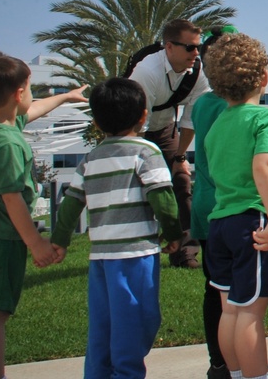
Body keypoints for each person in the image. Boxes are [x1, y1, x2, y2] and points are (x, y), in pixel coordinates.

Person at [50, 78, 182, 379]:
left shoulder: (90, 159)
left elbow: (71, 202)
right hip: (136, 255)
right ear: (143, 116)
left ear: (96, 123)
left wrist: (60, 239)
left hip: (101, 258)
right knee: (137, 322)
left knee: (104, 325)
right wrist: (174, 234)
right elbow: (163, 197)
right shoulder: (146, 151)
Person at [0, 54, 86, 379]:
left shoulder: (2, 125)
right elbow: (12, 196)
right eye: (31, 87)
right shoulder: (6, 144)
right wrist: (35, 242)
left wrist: (65, 96)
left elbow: (32, 111)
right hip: (2, 240)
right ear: (19, 93)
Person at [203, 33, 268, 379]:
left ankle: (236, 374)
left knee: (230, 311)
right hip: (251, 223)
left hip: (219, 226)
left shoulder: (215, 127)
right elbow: (264, 166)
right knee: (251, 313)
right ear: (264, 78)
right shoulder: (265, 120)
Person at [128, 18, 212, 269]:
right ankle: (134, 248)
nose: (196, 53)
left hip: (164, 128)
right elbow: (136, 128)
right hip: (132, 130)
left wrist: (179, 158)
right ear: (169, 47)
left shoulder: (198, 72)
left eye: (198, 46)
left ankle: (185, 253)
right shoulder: (147, 73)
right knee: (137, 187)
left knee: (182, 182)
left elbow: (189, 120)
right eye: (190, 47)